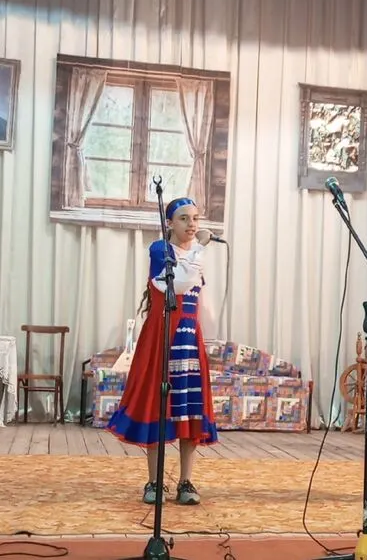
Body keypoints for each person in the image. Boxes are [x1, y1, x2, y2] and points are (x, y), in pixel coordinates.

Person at [106, 197, 218, 505]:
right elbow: (178, 285)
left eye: (195, 218)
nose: (192, 224)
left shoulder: (195, 256)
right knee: (157, 406)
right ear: (169, 223)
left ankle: (185, 481)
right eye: (184, 218)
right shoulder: (160, 251)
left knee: (189, 408)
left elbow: (200, 300)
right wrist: (200, 248)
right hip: (162, 338)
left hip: (189, 341)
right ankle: (154, 482)